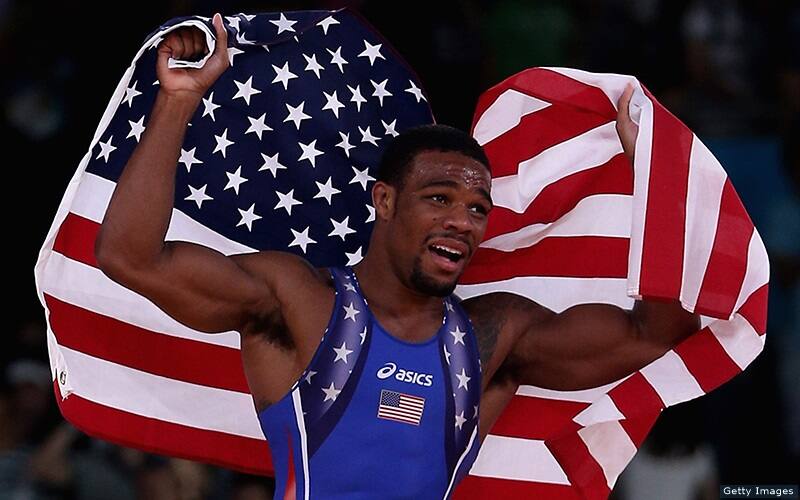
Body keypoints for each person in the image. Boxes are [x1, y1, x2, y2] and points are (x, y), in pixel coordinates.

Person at [94, 13, 700, 499]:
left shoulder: (494, 336)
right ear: (383, 200)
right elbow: (131, 258)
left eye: (477, 209)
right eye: (439, 198)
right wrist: (177, 101)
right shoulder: (300, 302)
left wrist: (656, 170)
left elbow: (657, 333)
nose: (461, 222)